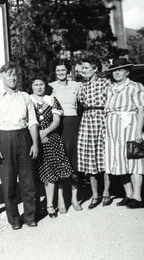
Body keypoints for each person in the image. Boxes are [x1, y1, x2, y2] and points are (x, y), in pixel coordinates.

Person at [0, 61, 40, 230]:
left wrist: (35, 144)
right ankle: (14, 219)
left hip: (24, 137)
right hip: (5, 138)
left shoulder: (26, 97)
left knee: (28, 181)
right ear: (2, 77)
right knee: (8, 182)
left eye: (14, 74)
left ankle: (30, 216)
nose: (12, 78)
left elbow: (32, 122)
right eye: (9, 75)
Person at [104, 58, 144, 209]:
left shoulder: (135, 87)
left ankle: (137, 196)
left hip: (129, 127)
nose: (116, 73)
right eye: (114, 70)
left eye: (120, 70)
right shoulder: (110, 88)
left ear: (127, 71)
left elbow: (141, 109)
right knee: (119, 161)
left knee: (134, 161)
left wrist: (138, 132)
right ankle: (128, 194)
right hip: (113, 129)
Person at [31, 76, 74, 217]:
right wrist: (37, 136)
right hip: (32, 140)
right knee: (33, 174)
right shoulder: (28, 100)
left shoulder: (52, 100)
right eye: (36, 84)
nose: (39, 87)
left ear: (45, 86)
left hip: (51, 138)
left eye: (41, 84)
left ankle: (49, 204)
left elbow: (56, 120)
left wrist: (46, 132)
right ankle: (35, 204)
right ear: (32, 87)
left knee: (50, 172)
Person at [77, 55, 112, 209]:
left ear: (95, 68)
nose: (83, 71)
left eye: (86, 68)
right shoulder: (82, 86)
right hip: (87, 121)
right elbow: (80, 105)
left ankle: (106, 192)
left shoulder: (105, 83)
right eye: (82, 68)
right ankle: (95, 195)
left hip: (102, 120)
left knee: (104, 158)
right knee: (90, 160)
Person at [50, 62, 83, 211]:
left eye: (63, 70)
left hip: (74, 124)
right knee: (61, 162)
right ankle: (61, 200)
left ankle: (75, 199)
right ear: (55, 72)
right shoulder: (51, 86)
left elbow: (82, 104)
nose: (61, 72)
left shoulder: (76, 85)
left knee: (75, 162)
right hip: (58, 125)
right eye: (58, 70)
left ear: (68, 71)